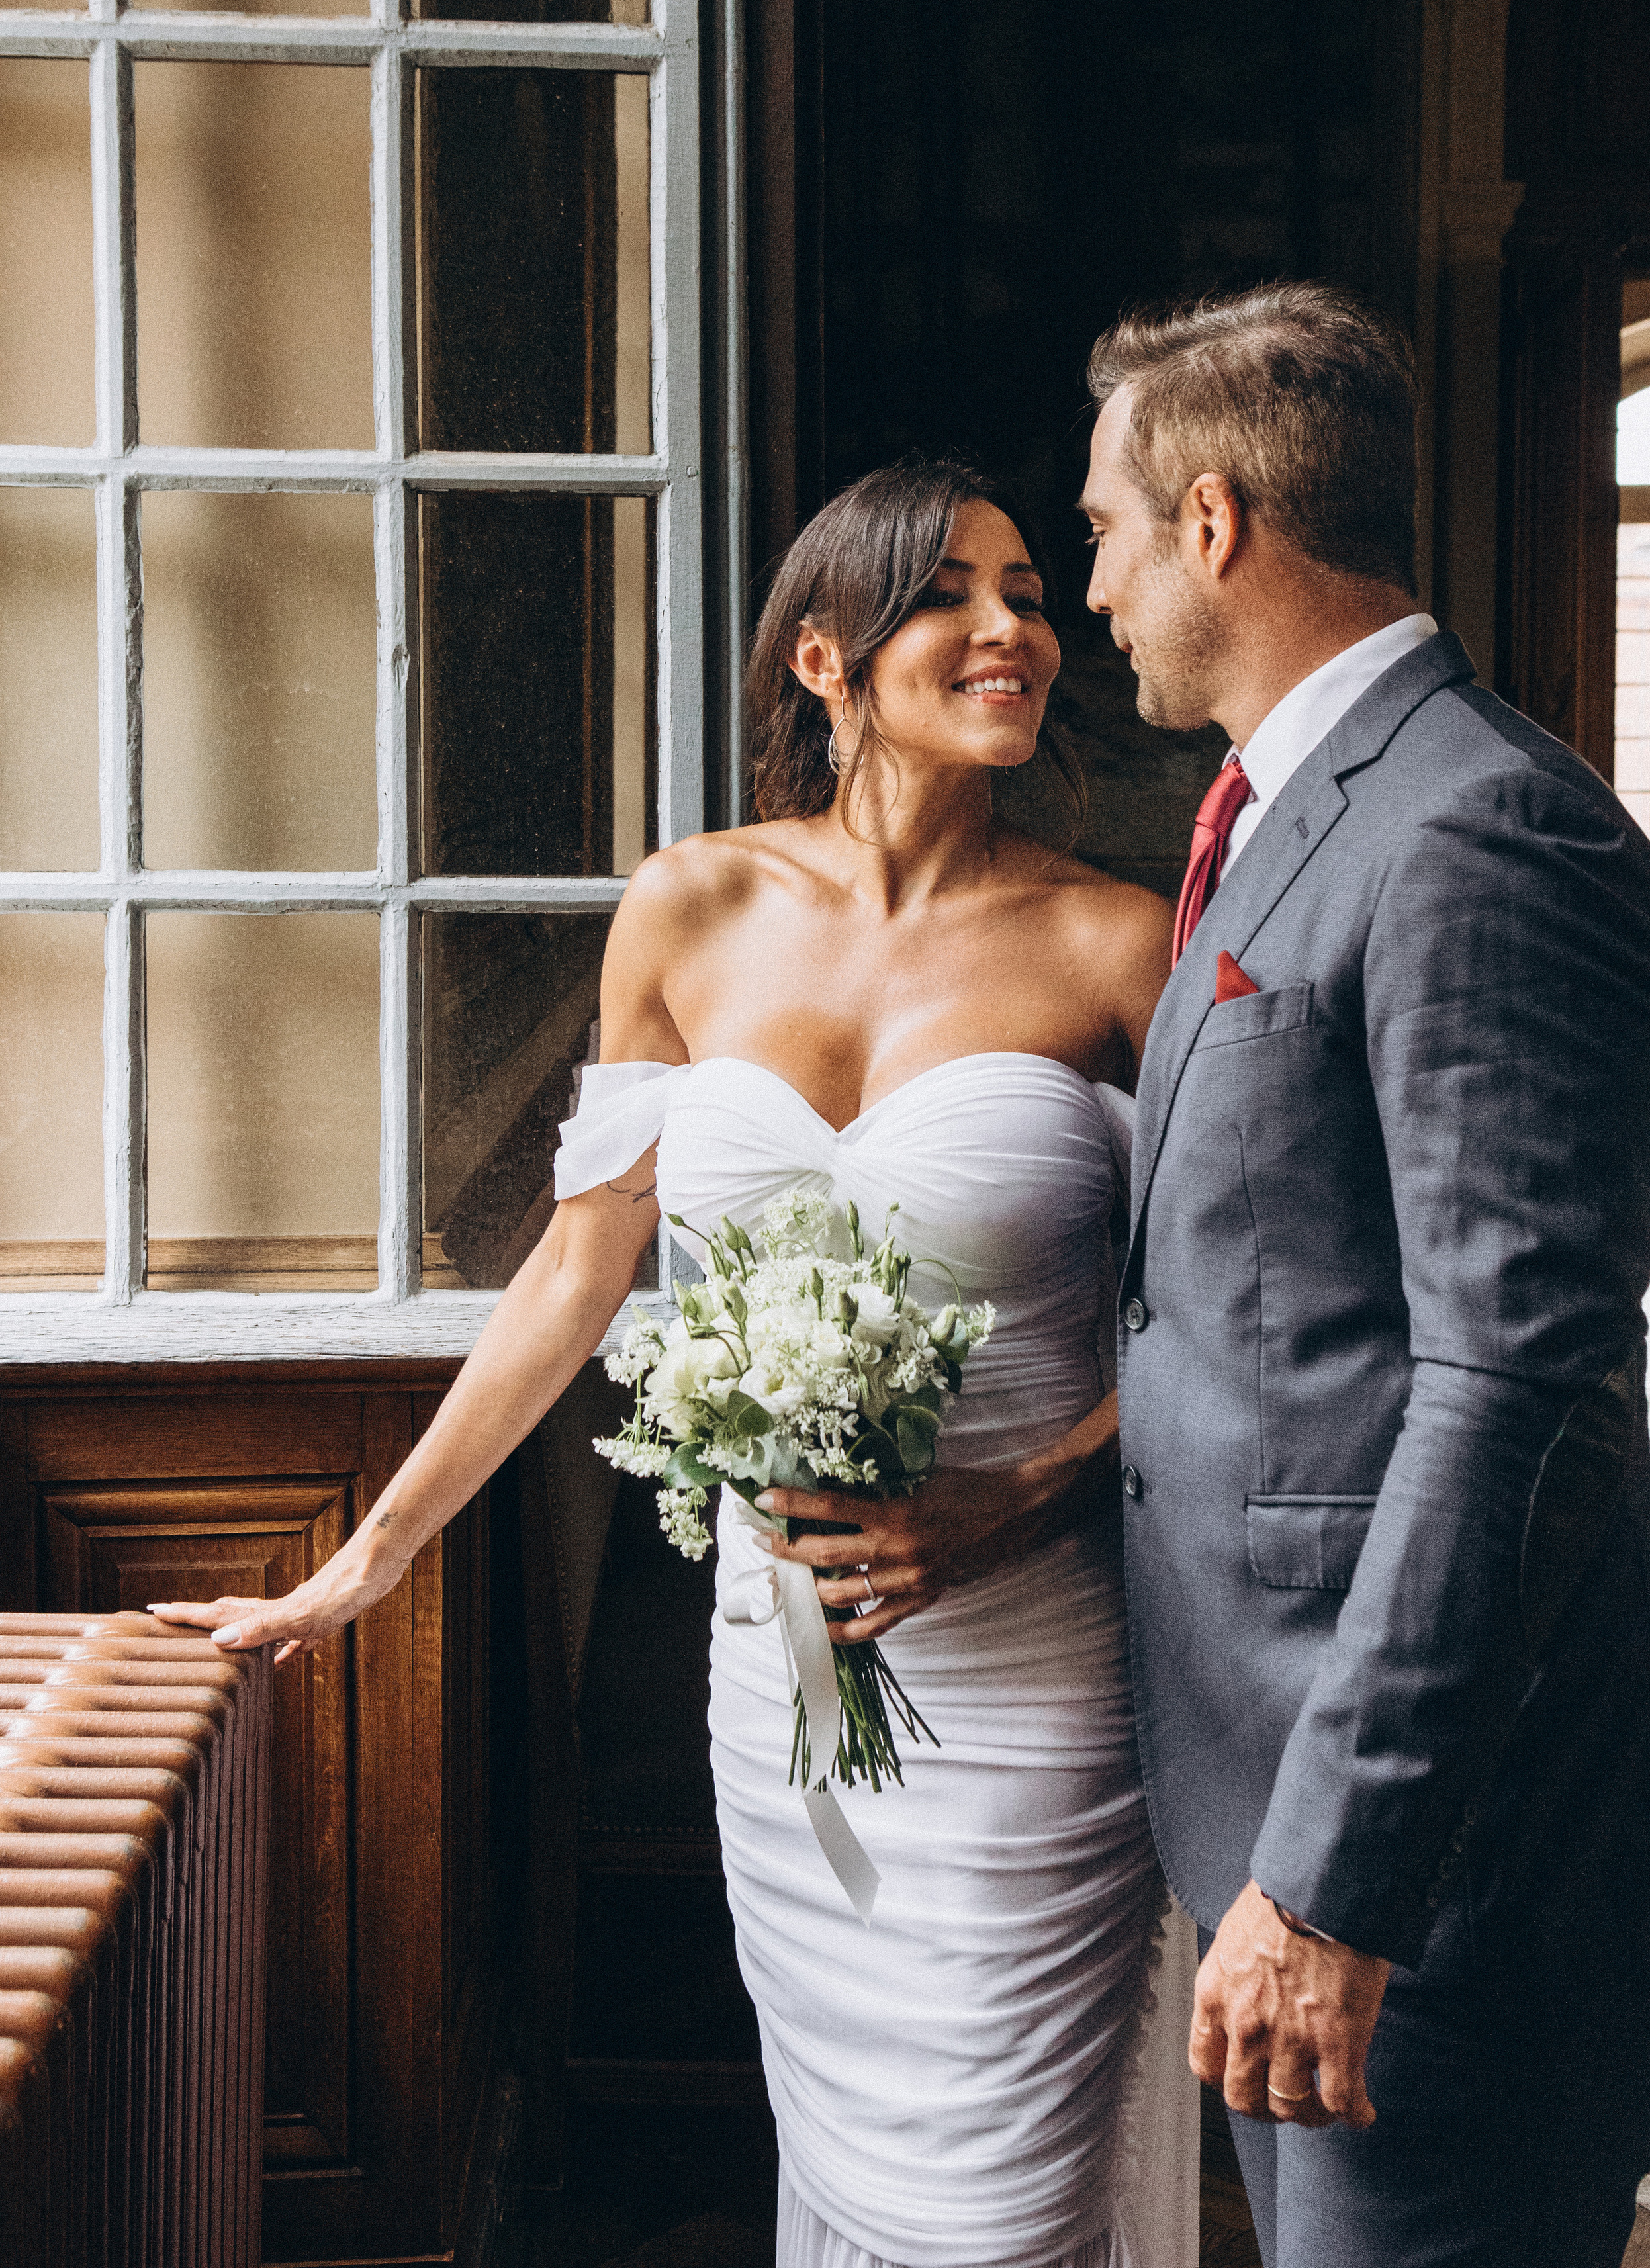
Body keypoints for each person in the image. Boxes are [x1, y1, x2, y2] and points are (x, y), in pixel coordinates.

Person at [155, 456, 1203, 2268]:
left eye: (1032, 592)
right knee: (851, 2150)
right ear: (824, 659)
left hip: (1041, 1672)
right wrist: (367, 1558)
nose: (1014, 628)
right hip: (786, 1669)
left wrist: (1007, 1499)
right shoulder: (687, 912)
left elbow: (1223, 1323)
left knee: (999, 2199)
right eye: (952, 594)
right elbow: (578, 1276)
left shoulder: (1122, 942)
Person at [1079, 281, 1650, 2268]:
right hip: (1294, 1796)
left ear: (1214, 519)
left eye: (1102, 527)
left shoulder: (1484, 828)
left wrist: (1338, 1890)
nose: (1092, 590)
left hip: (1455, 1859)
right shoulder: (1279, 817)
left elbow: (1517, 1389)